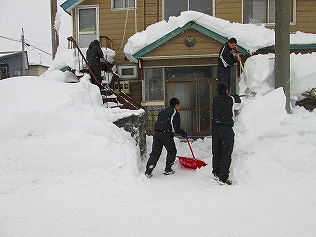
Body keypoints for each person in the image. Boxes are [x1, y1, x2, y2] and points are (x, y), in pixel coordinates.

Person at [145, 98, 187, 178]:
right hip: (166, 134)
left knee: (155, 152)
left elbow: (161, 122)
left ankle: (148, 171)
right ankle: (168, 169)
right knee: (172, 151)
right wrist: (183, 132)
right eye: (178, 106)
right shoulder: (175, 113)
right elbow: (176, 128)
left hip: (156, 133)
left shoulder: (163, 111)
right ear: (176, 105)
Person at [211, 82, 241, 185]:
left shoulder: (214, 100)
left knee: (216, 150)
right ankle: (223, 177)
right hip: (226, 128)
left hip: (215, 128)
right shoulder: (230, 99)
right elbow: (238, 101)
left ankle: (216, 172)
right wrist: (234, 96)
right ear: (227, 90)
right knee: (226, 152)